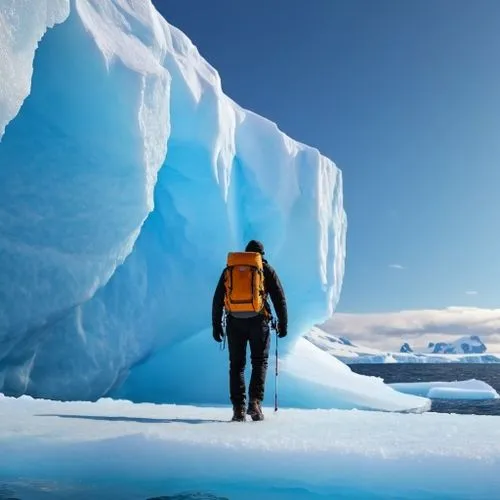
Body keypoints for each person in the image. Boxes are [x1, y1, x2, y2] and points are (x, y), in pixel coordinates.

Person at [212, 240, 288, 422]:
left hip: (234, 322)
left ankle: (238, 409)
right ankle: (254, 403)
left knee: (237, 365)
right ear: (261, 254)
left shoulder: (229, 270)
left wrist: (216, 325)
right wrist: (283, 324)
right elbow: (279, 298)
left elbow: (217, 299)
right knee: (259, 362)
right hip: (259, 321)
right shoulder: (265, 270)